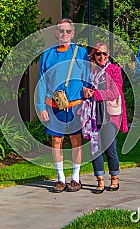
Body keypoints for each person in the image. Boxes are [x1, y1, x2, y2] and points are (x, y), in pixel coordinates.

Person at [35, 18, 91, 193]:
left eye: (67, 31)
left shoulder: (80, 53)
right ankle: (60, 178)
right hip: (54, 104)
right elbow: (42, 82)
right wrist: (41, 107)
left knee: (76, 140)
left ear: (72, 33)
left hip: (75, 104)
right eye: (61, 31)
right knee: (56, 140)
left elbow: (87, 78)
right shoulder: (48, 55)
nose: (64, 34)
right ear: (56, 33)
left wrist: (86, 103)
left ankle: (75, 177)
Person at [81, 41, 128, 194]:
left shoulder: (114, 70)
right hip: (92, 115)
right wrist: (85, 91)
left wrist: (95, 94)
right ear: (93, 56)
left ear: (108, 55)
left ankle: (114, 179)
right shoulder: (89, 72)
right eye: (98, 54)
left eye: (105, 54)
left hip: (109, 115)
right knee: (95, 149)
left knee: (110, 149)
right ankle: (100, 181)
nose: (102, 56)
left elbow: (115, 92)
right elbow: (83, 87)